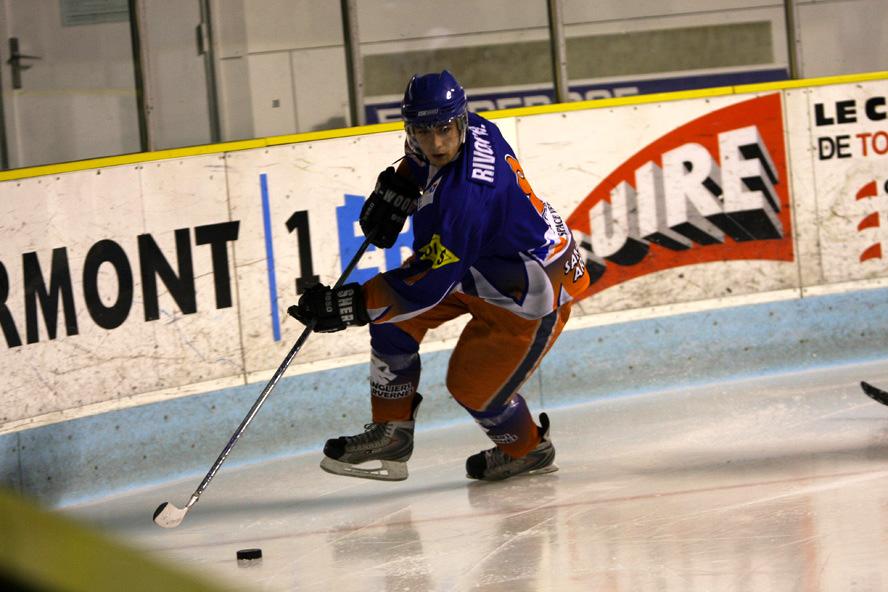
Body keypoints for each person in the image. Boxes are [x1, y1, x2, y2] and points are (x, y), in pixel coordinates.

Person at [288, 70, 589, 482]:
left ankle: (528, 449)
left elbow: (425, 288)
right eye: (423, 131)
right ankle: (392, 432)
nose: (436, 144)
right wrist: (400, 186)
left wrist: (347, 306)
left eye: (444, 130)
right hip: (478, 266)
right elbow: (420, 165)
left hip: (529, 293)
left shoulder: (465, 200)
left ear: (459, 121)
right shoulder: (472, 127)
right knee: (391, 321)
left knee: (471, 386)